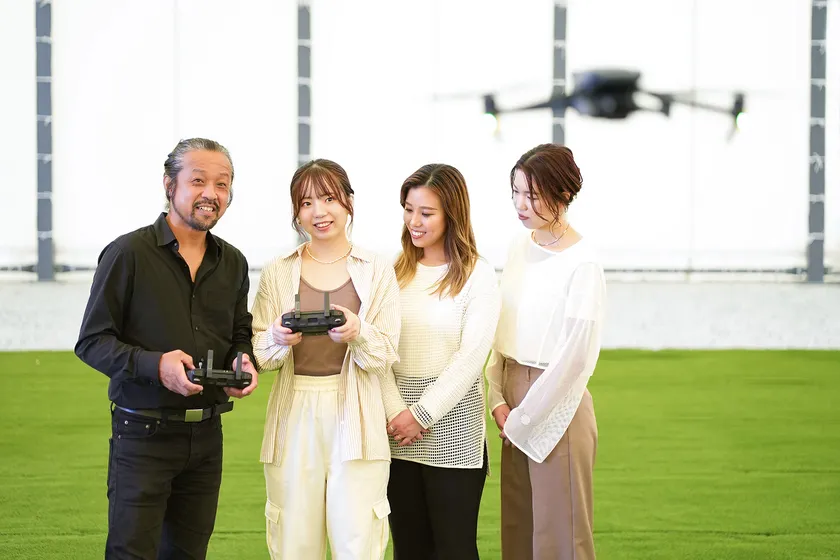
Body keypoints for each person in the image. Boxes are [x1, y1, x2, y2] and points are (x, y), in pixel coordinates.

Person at [75, 137, 258, 559]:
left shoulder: (233, 262)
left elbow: (238, 331)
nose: (211, 193)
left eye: (222, 184)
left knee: (188, 553)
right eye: (198, 181)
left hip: (207, 436)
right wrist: (157, 366)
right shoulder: (128, 254)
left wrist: (241, 359)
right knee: (132, 552)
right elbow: (92, 342)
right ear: (169, 184)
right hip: (143, 434)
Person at [250, 159, 403, 560]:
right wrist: (277, 337)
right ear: (296, 213)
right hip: (294, 409)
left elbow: (386, 352)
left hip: (358, 411)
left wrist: (358, 331)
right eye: (306, 203)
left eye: (329, 199)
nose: (318, 212)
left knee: (357, 538)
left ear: (348, 202)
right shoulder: (278, 271)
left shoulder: (376, 269)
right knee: (294, 538)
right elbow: (261, 354)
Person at [486, 143, 606, 560]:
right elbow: (502, 323)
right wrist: (497, 398)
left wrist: (525, 416)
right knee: (519, 528)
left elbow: (576, 356)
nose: (521, 204)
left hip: (557, 401)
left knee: (561, 537)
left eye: (533, 195)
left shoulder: (583, 262)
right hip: (511, 394)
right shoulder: (518, 247)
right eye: (516, 192)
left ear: (563, 194)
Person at [386, 164, 501, 560]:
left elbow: (472, 357)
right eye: (408, 209)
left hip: (454, 433)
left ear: (452, 214)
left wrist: (422, 414)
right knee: (409, 549)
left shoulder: (477, 275)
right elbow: (378, 352)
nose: (414, 222)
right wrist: (399, 414)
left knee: (455, 548)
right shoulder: (393, 271)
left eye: (426, 213)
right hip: (397, 432)